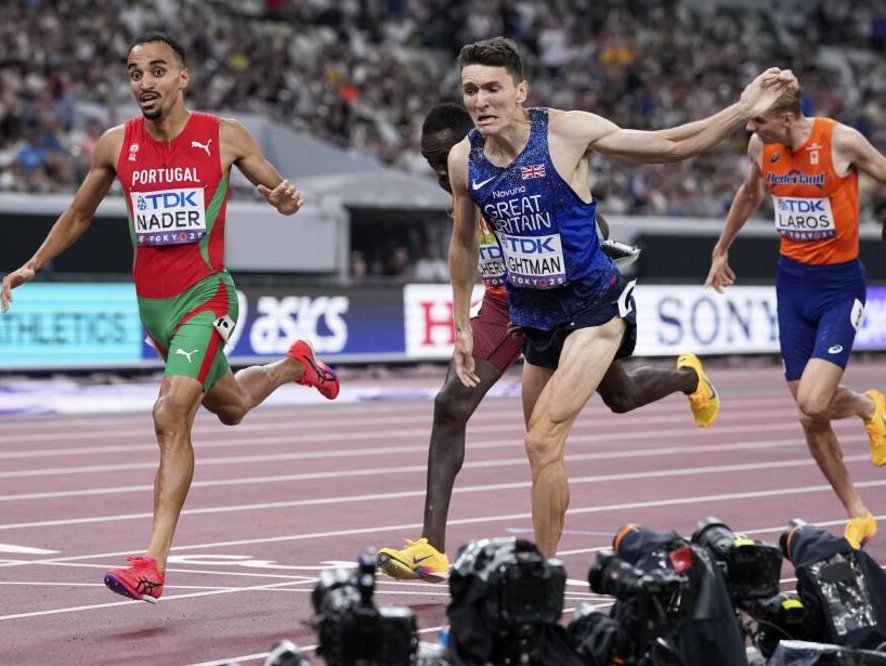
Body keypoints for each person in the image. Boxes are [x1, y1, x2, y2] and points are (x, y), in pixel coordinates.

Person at [0, 31, 340, 603]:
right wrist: (32, 264)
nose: (145, 83)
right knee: (231, 407)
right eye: (135, 74)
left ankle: (152, 563)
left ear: (183, 77)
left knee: (170, 412)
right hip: (154, 312)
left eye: (157, 70)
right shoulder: (116, 144)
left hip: (207, 297)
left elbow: (275, 187)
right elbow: (80, 213)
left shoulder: (224, 136)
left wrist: (283, 200)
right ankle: (294, 364)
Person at [445, 37, 794, 558]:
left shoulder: (566, 133)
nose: (480, 101)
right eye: (470, 90)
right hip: (534, 314)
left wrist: (742, 109)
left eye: (492, 89)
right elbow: (463, 242)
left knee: (541, 439)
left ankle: (543, 571)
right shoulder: (464, 158)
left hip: (592, 308)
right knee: (549, 449)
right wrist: (461, 325)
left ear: (521, 91)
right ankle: (546, 562)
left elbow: (671, 146)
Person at [376, 103, 718, 581]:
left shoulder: (514, 168)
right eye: (430, 162)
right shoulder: (463, 186)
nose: (438, 171)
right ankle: (431, 547)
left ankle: (687, 377)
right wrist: (463, 322)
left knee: (620, 397)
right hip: (502, 309)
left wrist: (555, 278)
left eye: (442, 158)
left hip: (557, 304)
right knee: (450, 403)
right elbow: (465, 251)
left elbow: (592, 226)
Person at [705, 83, 886, 549]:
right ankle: (858, 511)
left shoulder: (840, 140)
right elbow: (749, 194)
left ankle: (869, 406)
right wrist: (721, 249)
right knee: (809, 415)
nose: (751, 127)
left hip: (838, 289)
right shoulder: (759, 146)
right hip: (792, 287)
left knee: (812, 401)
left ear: (787, 119)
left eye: (759, 120)